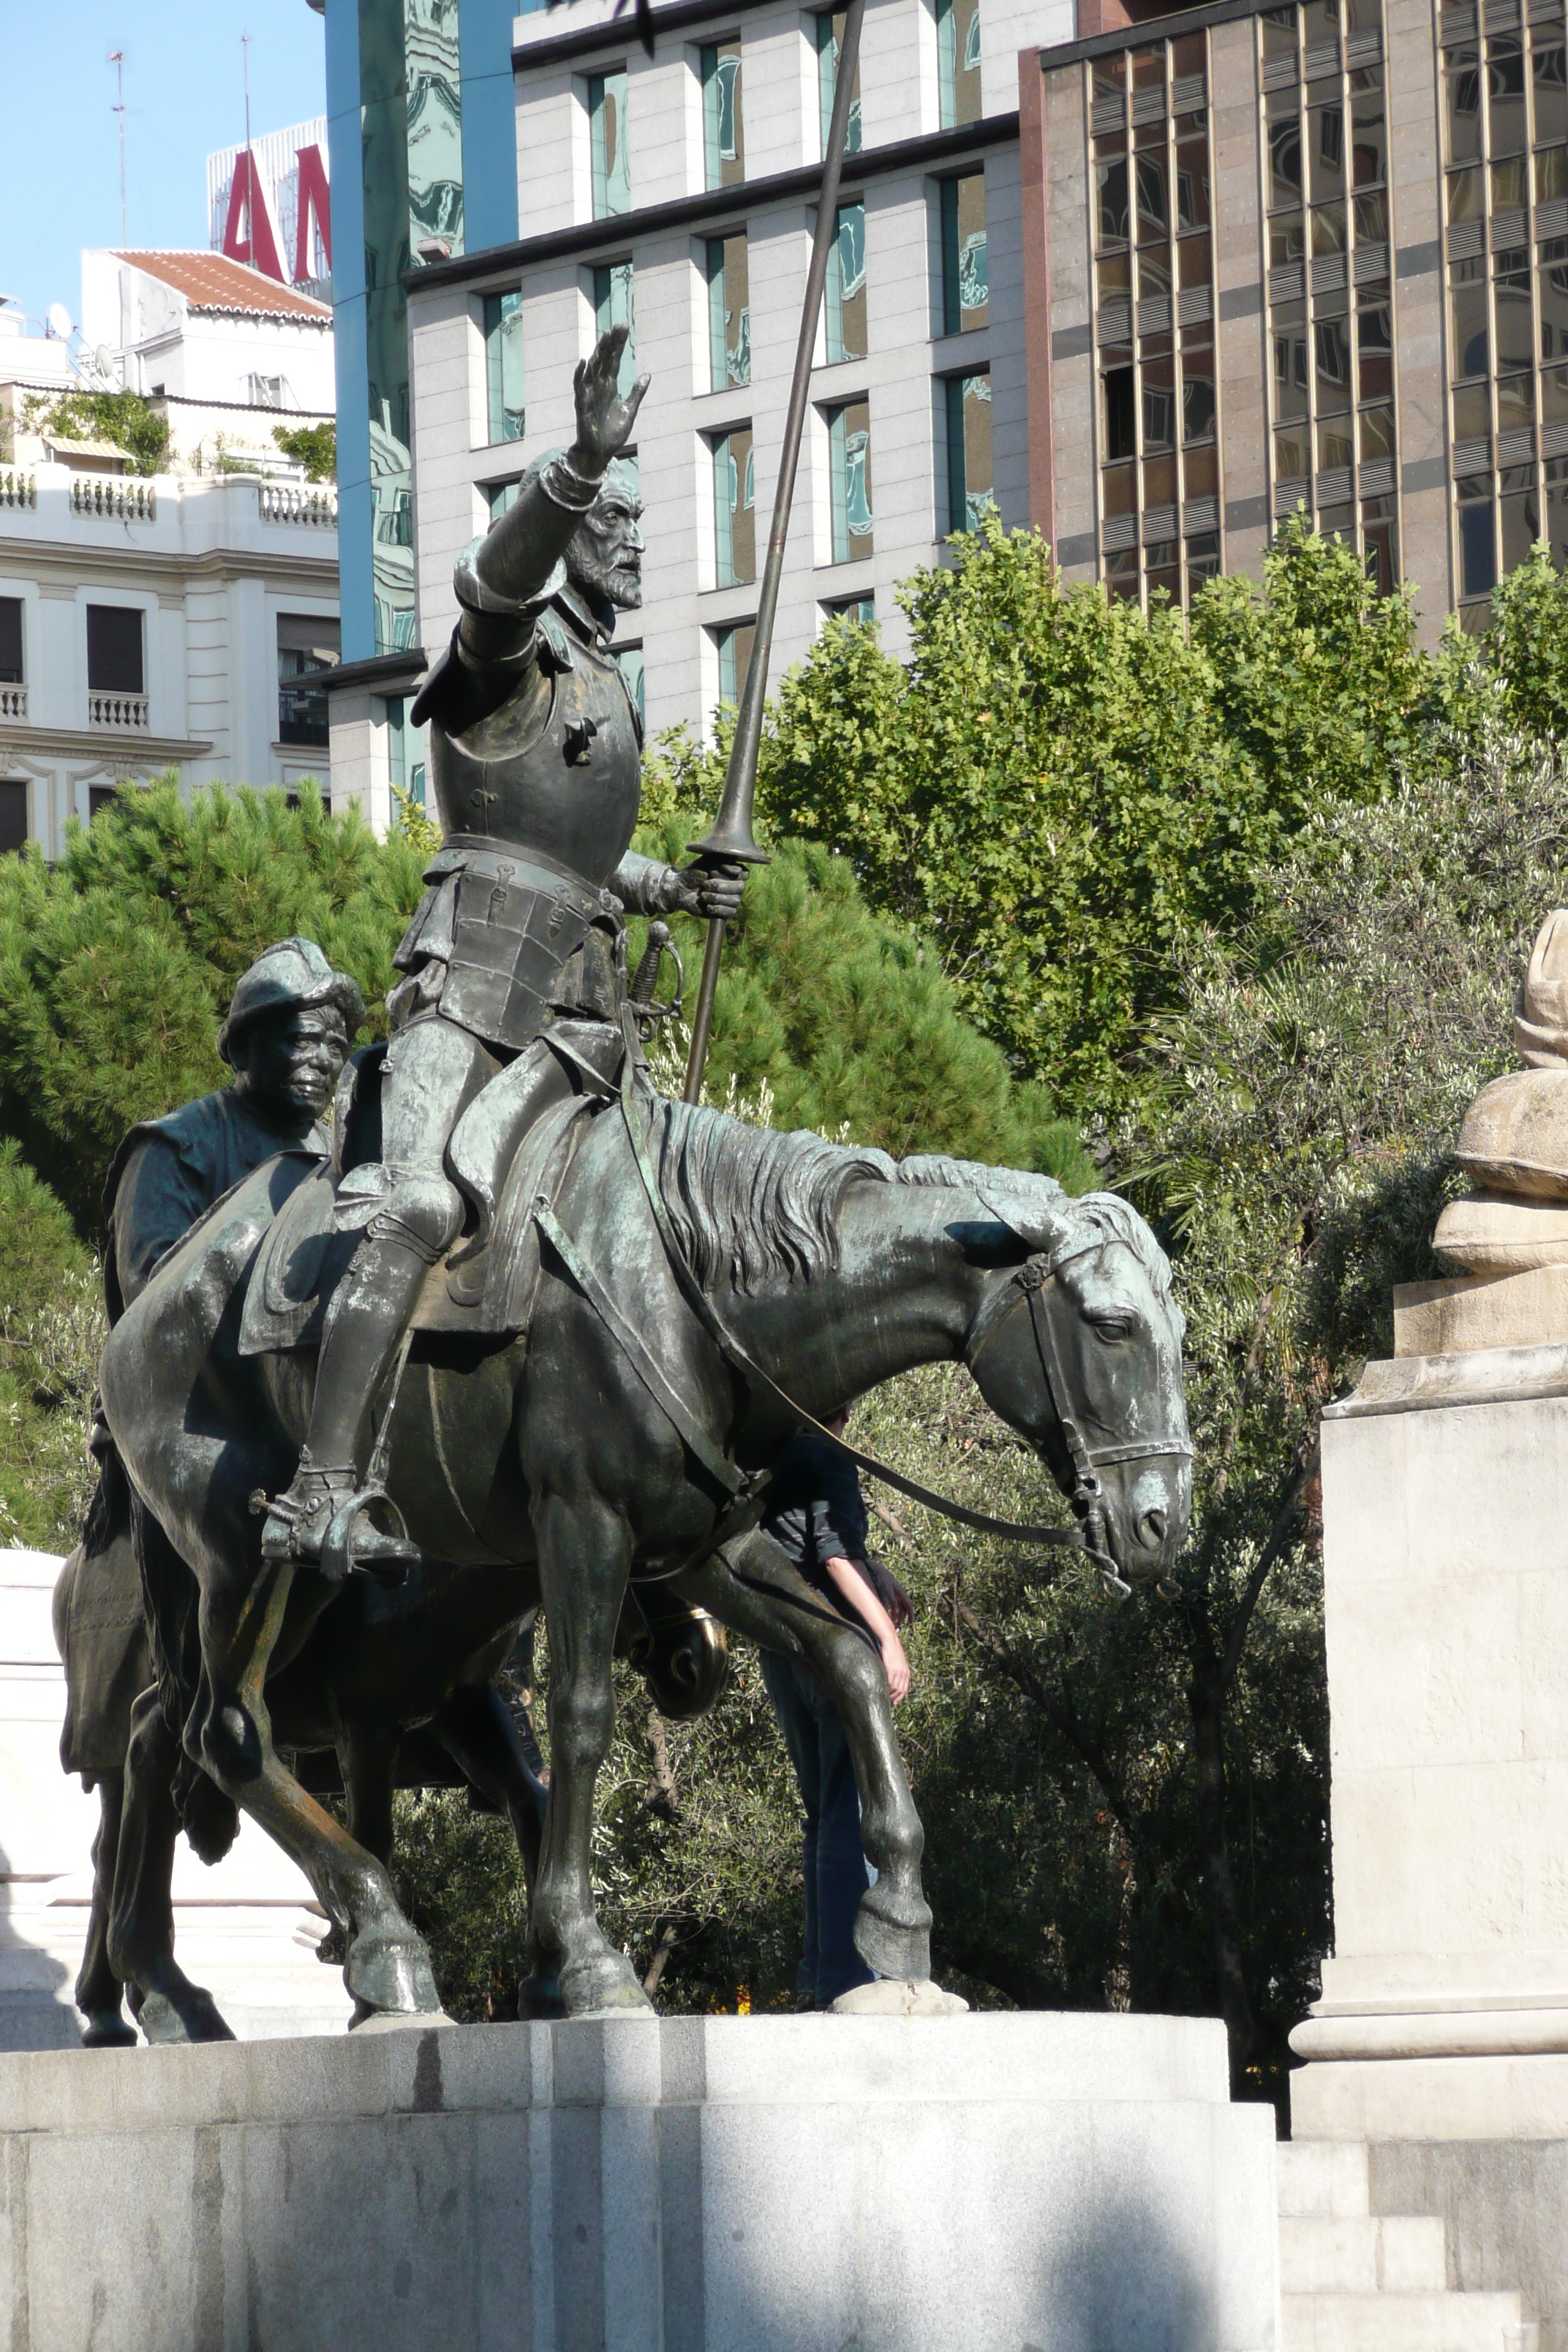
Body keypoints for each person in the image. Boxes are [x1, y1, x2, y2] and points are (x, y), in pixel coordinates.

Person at [258, 323, 745, 1574]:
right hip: (467, 986)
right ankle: (321, 1490)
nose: (630, 539)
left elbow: (570, 856)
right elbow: (486, 588)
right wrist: (574, 464)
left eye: (636, 520)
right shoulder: (504, 660)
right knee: (418, 1202)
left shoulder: (600, 681)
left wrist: (668, 889)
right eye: (611, 518)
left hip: (583, 1005)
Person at [55, 936, 362, 2043]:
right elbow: (149, 1307)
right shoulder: (178, 1146)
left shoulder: (349, 1151)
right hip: (186, 1444)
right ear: (245, 1042)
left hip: (319, 1439)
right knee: (171, 1706)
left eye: (332, 1036)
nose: (316, 1055)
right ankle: (130, 1959)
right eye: (291, 1032)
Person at [760, 1410, 914, 2010]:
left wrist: (875, 1567)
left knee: (821, 1813)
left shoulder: (775, 1458)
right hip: (835, 1647)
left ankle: (820, 1974)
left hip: (782, 1649)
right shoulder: (830, 1458)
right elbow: (832, 1558)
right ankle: (853, 1979)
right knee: (850, 1808)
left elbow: (804, 1546)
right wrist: (888, 1639)